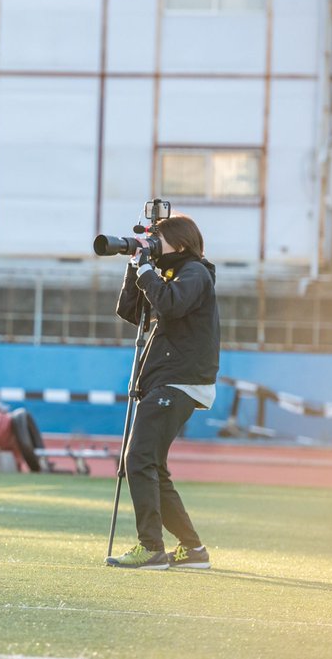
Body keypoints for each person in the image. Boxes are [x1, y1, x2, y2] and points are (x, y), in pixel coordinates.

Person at [106, 213, 219, 570]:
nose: (154, 245)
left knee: (137, 458)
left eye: (160, 240)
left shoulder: (195, 273)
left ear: (181, 244)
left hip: (178, 379)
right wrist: (133, 268)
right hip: (168, 380)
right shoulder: (168, 275)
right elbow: (129, 311)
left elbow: (171, 305)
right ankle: (192, 550)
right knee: (153, 464)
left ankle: (150, 547)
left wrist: (147, 274)